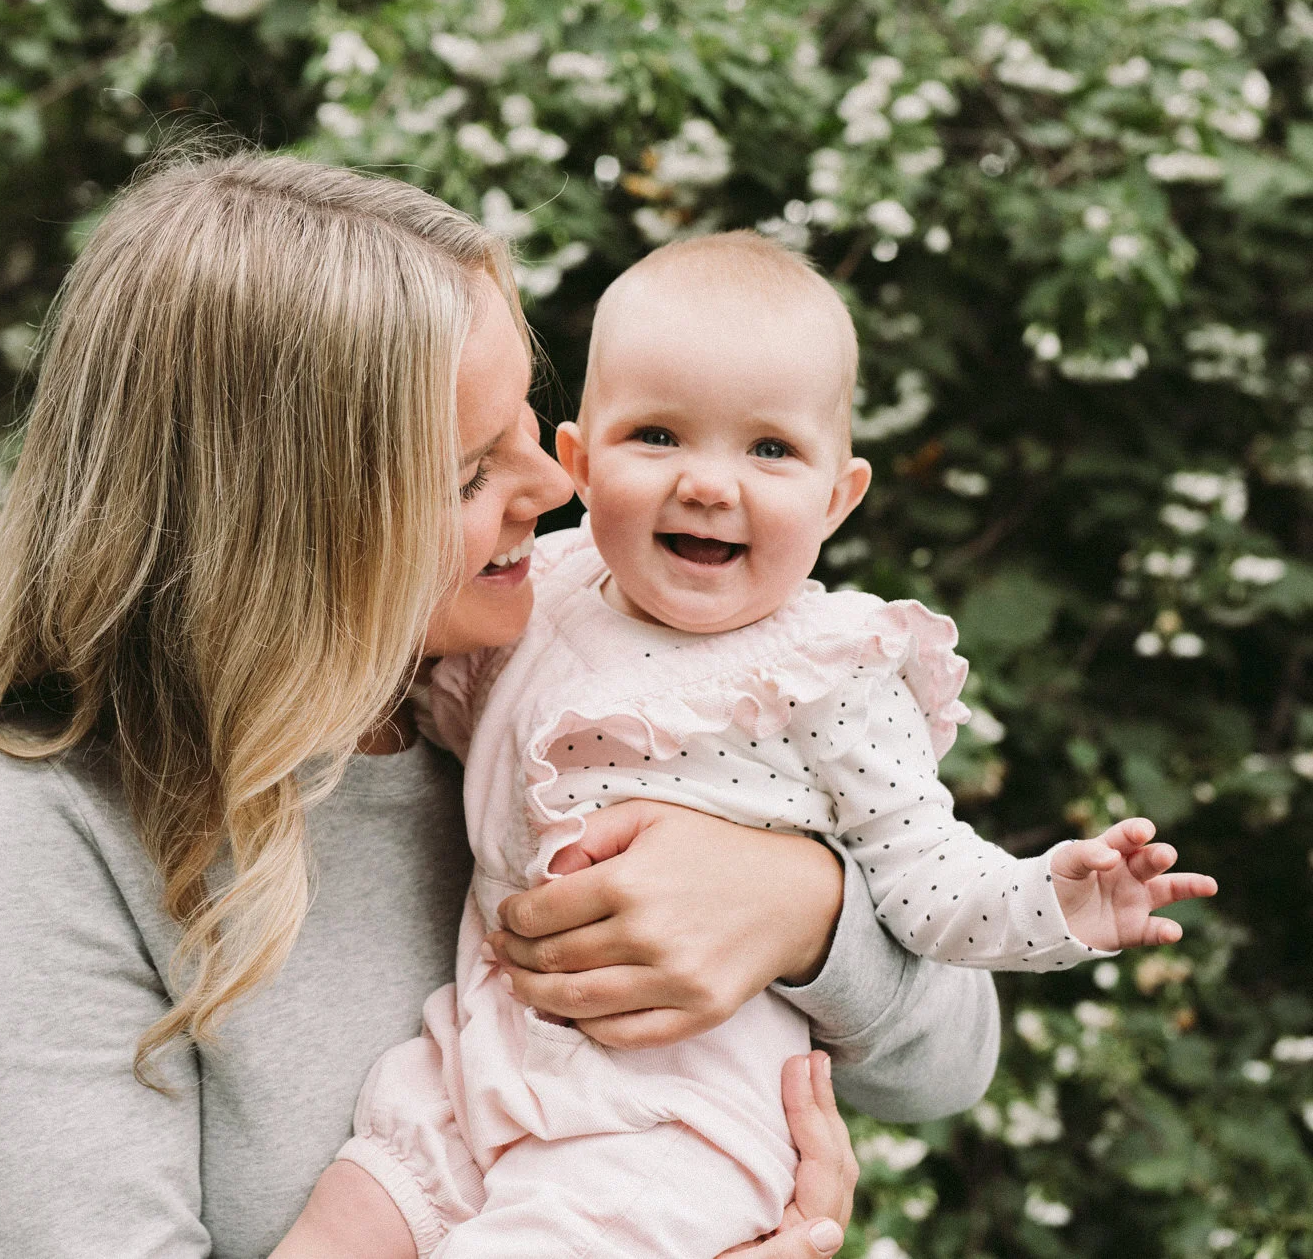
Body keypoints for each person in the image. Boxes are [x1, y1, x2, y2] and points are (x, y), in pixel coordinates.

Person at [0, 153, 1005, 1259]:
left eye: (527, 420)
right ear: (285, 524)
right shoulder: (53, 827)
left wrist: (803, 911)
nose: (554, 487)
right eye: (468, 473)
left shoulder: (526, 681)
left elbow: (946, 1059)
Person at [283, 231, 1218, 1258]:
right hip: (474, 1058)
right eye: (656, 436)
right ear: (580, 464)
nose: (707, 484)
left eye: (767, 450)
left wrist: (1057, 899)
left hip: (664, 1117)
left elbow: (928, 878)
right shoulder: (534, 602)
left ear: (836, 496)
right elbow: (429, 712)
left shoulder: (830, 676)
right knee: (349, 1214)